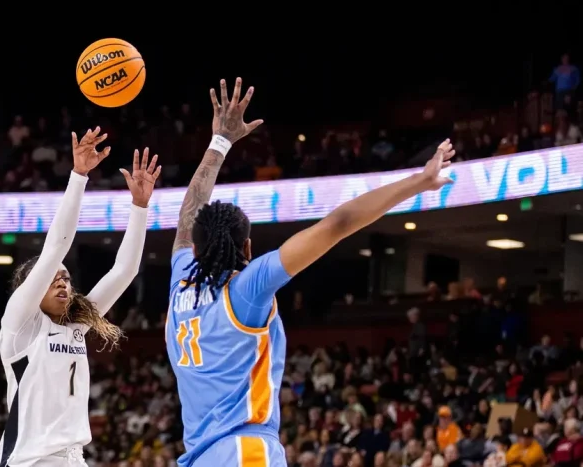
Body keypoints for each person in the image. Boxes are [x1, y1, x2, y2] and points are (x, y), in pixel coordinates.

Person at [166, 77, 456, 466]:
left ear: (195, 249)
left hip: (196, 457)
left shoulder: (180, 277)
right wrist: (418, 181)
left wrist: (219, 142)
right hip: (244, 451)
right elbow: (336, 224)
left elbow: (190, 211)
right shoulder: (247, 289)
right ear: (248, 248)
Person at [0, 128, 161, 467]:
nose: (62, 282)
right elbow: (57, 246)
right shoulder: (19, 326)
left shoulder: (76, 326)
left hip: (73, 459)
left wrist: (140, 208)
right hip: (30, 461)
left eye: (67, 278)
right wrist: (79, 176)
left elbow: (125, 271)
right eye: (53, 276)